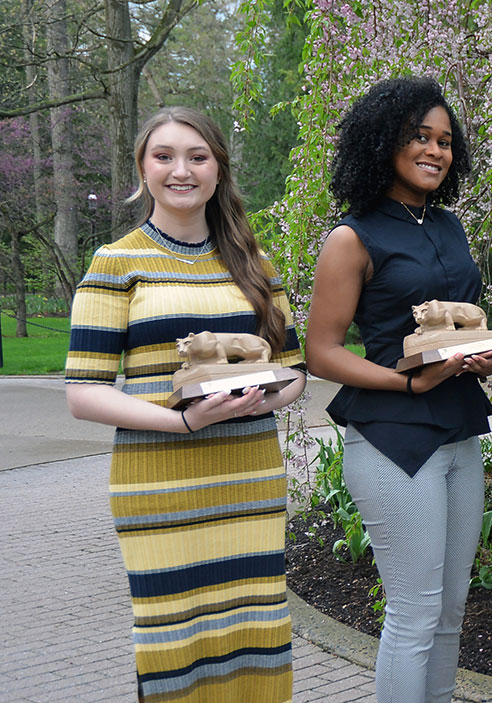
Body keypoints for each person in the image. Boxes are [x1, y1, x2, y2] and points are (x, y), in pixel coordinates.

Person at [65, 106, 307, 702]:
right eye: (164, 156)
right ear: (142, 170)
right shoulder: (115, 263)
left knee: (254, 630)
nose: (182, 170)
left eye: (198, 157)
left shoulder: (253, 263)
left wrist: (262, 402)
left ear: (218, 171)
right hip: (159, 489)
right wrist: (183, 421)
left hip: (248, 479)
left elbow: (296, 371)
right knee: (176, 642)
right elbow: (83, 395)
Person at [305, 77, 492, 703]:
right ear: (383, 143)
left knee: (451, 611)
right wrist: (408, 380)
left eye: (445, 140)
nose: (435, 150)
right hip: (393, 438)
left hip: (458, 429)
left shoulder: (449, 226)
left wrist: (480, 354)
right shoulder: (352, 236)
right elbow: (322, 351)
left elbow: (453, 323)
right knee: (414, 613)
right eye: (420, 136)